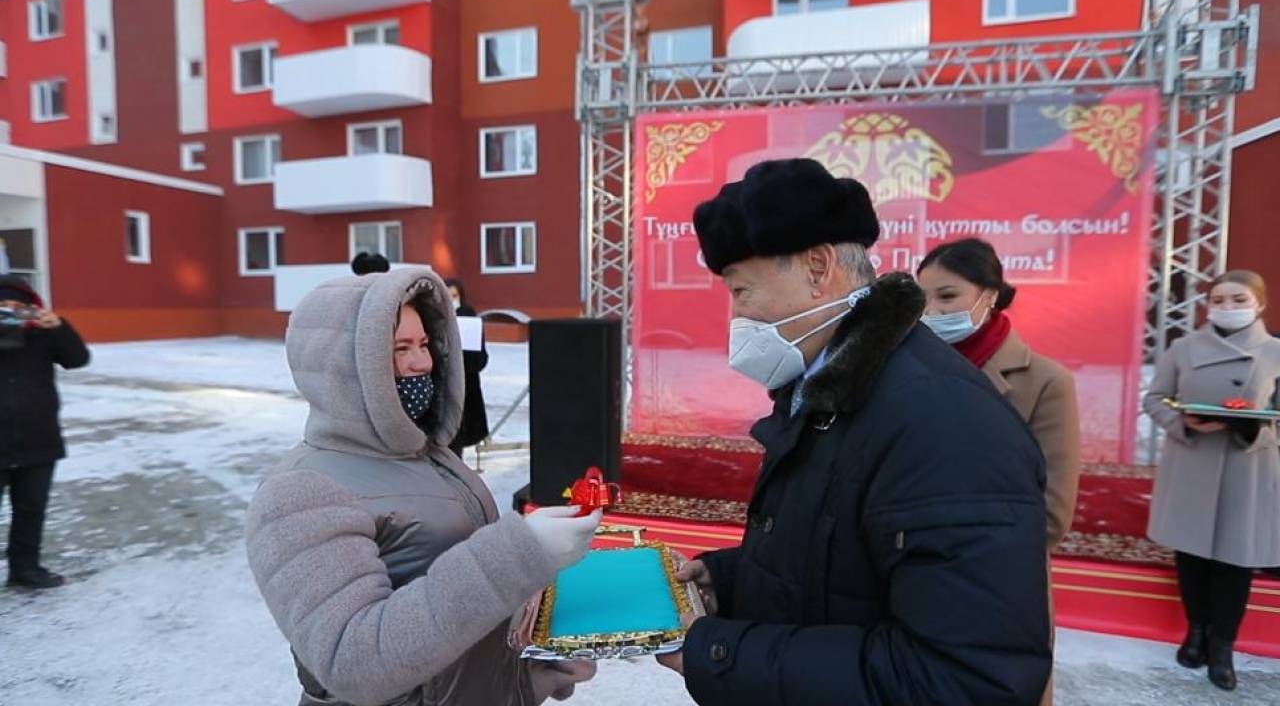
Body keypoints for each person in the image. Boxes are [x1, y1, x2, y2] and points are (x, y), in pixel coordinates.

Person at [659, 159, 1052, 705]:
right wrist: (729, 579)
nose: (736, 318)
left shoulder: (943, 422)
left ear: (819, 268)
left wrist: (723, 654)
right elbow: (842, 562)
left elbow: (963, 681)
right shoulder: (833, 390)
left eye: (742, 292)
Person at [245, 267, 600, 705]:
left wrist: (528, 681)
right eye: (400, 348)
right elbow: (354, 662)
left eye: (425, 344)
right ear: (347, 369)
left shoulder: (433, 457)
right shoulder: (299, 492)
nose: (423, 363)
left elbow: (454, 640)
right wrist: (516, 553)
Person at [917, 238, 1080, 705]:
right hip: (911, 580)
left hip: (999, 587)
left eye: (947, 296)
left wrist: (953, 552)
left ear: (990, 295)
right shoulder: (903, 373)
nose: (930, 311)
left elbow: (1051, 515)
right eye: (922, 297)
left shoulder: (1045, 381)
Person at [1144, 269, 1280, 692]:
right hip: (1192, 460)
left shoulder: (1276, 352)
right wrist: (1183, 422)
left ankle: (1223, 647)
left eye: (1238, 299)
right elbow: (1154, 399)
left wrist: (1252, 427)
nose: (1228, 307)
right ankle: (1196, 631)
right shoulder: (1183, 348)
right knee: (1192, 553)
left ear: (1259, 303)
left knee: (1235, 560)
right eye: (1218, 299)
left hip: (1249, 464)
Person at [0, 275, 90, 589]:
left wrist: (59, 327)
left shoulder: (44, 335)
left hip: (38, 442)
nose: (10, 311)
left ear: (31, 309)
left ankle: (25, 569)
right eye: (2, 307)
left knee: (31, 511)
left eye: (18, 306)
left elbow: (78, 359)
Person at [444, 278, 490, 458]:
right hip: (441, 392)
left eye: (454, 296)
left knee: (456, 447)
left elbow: (480, 360)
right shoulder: (433, 319)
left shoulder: (469, 319)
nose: (452, 300)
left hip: (465, 393)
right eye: (447, 296)